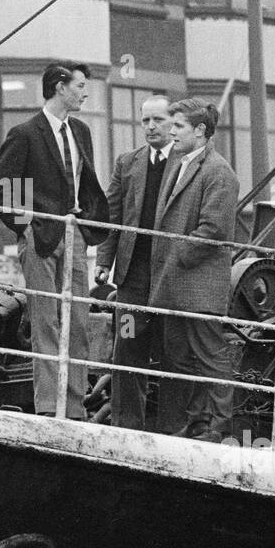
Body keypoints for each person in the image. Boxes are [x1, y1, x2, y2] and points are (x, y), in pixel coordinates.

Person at [0, 63, 109, 418]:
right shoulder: (25, 134)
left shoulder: (82, 131)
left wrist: (86, 221)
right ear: (60, 87)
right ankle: (48, 407)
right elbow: (2, 191)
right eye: (81, 86)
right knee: (46, 323)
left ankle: (73, 408)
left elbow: (87, 181)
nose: (85, 93)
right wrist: (25, 227)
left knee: (77, 322)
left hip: (75, 236)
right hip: (40, 238)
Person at [149, 100, 239, 440]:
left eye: (179, 126)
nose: (171, 132)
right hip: (176, 282)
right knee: (181, 357)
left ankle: (219, 426)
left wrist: (177, 255)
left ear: (200, 130)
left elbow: (213, 230)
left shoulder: (219, 172)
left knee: (210, 356)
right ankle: (198, 423)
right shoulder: (180, 164)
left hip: (197, 284)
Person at [95, 95, 174, 430]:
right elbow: (113, 214)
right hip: (133, 277)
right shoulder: (128, 163)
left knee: (172, 352)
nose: (151, 127)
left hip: (170, 277)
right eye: (145, 121)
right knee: (127, 349)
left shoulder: (186, 163)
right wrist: (104, 260)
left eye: (158, 120)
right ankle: (126, 425)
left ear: (174, 123)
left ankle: (174, 429)